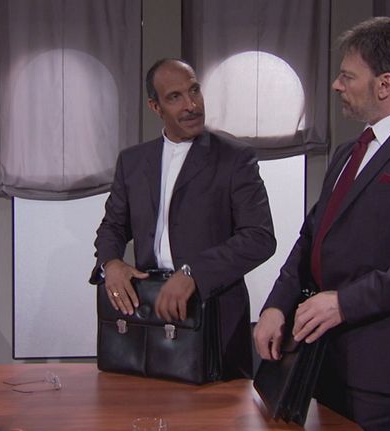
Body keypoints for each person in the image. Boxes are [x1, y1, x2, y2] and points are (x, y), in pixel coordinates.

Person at [253, 17, 390, 431]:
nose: (337, 85)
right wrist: (276, 305)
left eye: (347, 76)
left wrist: (343, 303)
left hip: (384, 365)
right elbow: (311, 238)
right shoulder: (348, 152)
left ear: (384, 84)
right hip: (325, 357)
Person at [90, 58, 276, 380]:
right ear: (155, 106)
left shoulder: (234, 158)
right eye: (175, 97)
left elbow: (259, 238)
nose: (191, 105)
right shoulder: (132, 162)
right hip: (149, 315)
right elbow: (113, 226)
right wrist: (111, 263)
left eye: (194, 91)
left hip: (215, 319)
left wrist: (194, 273)